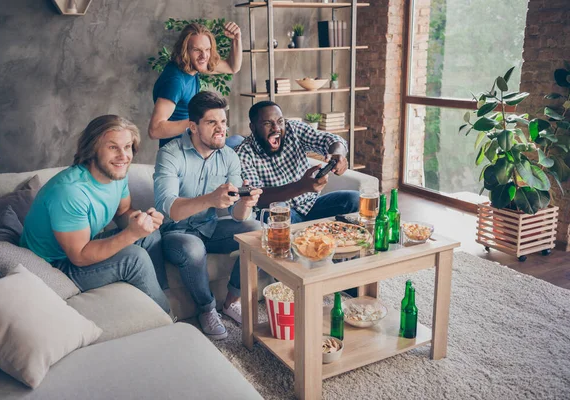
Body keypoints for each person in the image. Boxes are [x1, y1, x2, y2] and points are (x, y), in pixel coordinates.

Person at [20, 115, 173, 318]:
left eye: (127, 147)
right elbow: (80, 257)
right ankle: (168, 318)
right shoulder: (70, 192)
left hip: (79, 247)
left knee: (151, 235)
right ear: (92, 149)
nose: (123, 156)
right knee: (134, 259)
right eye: (113, 147)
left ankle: (158, 294)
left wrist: (141, 220)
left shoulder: (117, 173)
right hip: (54, 264)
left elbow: (121, 212)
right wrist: (131, 234)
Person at [154, 91, 261, 340]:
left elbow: (236, 215)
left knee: (257, 229)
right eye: (212, 122)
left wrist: (245, 203)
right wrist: (211, 199)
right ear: (193, 126)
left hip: (210, 228)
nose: (221, 129)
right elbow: (168, 207)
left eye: (223, 122)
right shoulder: (170, 154)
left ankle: (232, 301)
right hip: (175, 232)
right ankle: (207, 309)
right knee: (192, 248)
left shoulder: (228, 156)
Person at [235, 101, 360, 223]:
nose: (276, 128)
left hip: (312, 205)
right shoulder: (244, 153)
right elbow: (258, 198)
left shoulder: (293, 129)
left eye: (280, 121)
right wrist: (301, 187)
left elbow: (332, 139)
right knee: (273, 214)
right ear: (253, 127)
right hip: (282, 213)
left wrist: (338, 154)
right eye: (267, 123)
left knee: (355, 199)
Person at [148, 22, 242, 148]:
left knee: (238, 140)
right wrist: (199, 122)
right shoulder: (175, 82)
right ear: (185, 51)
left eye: (207, 49)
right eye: (197, 50)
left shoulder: (192, 66)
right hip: (180, 151)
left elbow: (232, 67)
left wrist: (237, 39)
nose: (204, 56)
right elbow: (155, 130)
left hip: (195, 143)